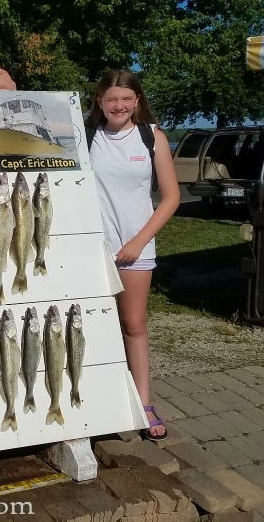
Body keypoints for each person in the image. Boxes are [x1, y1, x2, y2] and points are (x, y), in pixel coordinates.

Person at [86, 69, 180, 442]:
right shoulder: (86, 137)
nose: (119, 105)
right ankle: (96, 400)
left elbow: (171, 198)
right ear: (99, 102)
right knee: (92, 326)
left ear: (137, 101)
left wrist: (139, 242)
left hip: (136, 249)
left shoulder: (152, 137)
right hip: (94, 248)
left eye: (126, 98)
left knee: (134, 325)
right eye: (111, 99)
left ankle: (144, 402)